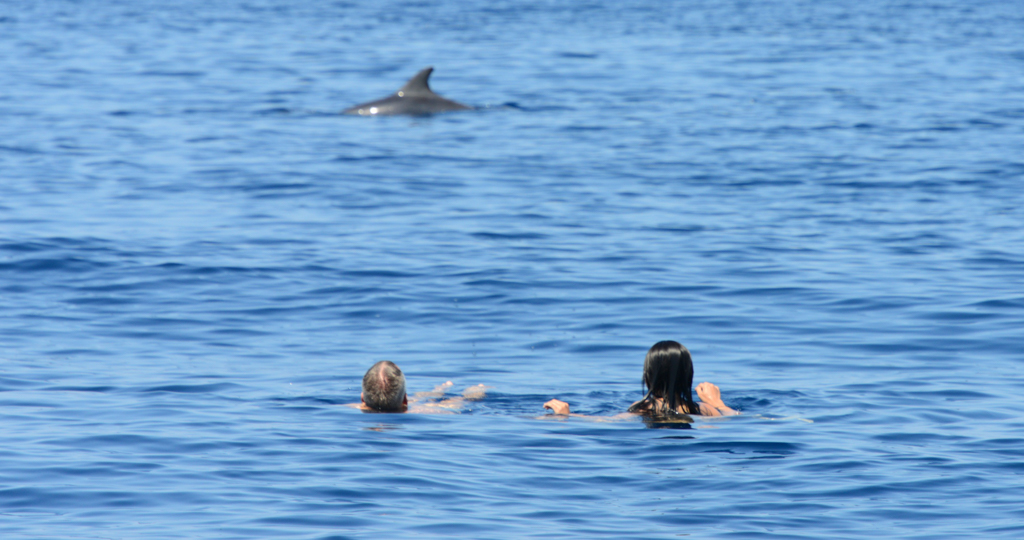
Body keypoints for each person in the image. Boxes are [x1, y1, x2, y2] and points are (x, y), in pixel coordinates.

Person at [543, 340, 738, 419]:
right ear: (688, 375)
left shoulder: (643, 407)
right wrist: (717, 402)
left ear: (648, 376)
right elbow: (738, 419)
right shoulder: (703, 410)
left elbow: (605, 421)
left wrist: (567, 415)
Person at [354, 360, 486, 413]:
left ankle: (438, 391)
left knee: (419, 399)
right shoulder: (424, 410)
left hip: (405, 405)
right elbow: (457, 407)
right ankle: (474, 391)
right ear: (405, 400)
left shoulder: (353, 407)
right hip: (412, 408)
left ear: (362, 399)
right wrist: (475, 396)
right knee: (461, 400)